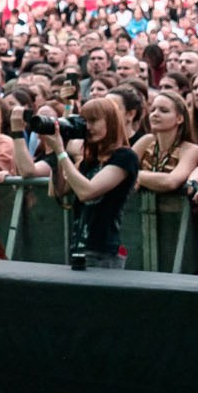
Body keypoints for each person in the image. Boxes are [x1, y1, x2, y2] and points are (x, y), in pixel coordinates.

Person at [53, 95, 138, 268]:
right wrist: (57, 149)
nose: (88, 127)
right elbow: (58, 189)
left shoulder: (125, 157)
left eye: (93, 121)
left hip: (104, 251)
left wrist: (61, 152)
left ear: (111, 122)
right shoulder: (88, 160)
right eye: (84, 122)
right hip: (79, 246)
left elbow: (87, 192)